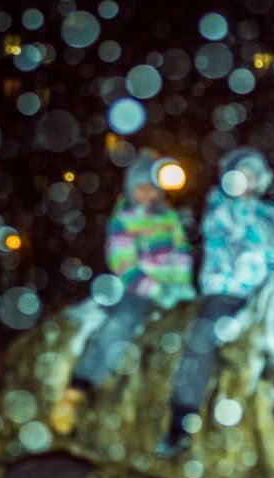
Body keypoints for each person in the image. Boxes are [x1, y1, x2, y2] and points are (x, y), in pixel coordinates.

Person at [156, 146, 274, 457]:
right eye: (243, 174)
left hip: (265, 295)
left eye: (254, 176)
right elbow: (243, 239)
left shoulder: (270, 213)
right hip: (228, 290)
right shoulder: (219, 208)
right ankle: (181, 417)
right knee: (203, 337)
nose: (248, 181)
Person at [62, 149, 195, 406]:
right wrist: (156, 290)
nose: (147, 194)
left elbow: (181, 253)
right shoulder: (123, 220)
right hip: (137, 289)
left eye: (152, 188)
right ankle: (80, 385)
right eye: (140, 188)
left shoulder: (168, 218)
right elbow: (123, 264)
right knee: (121, 324)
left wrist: (183, 287)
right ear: (131, 189)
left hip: (173, 289)